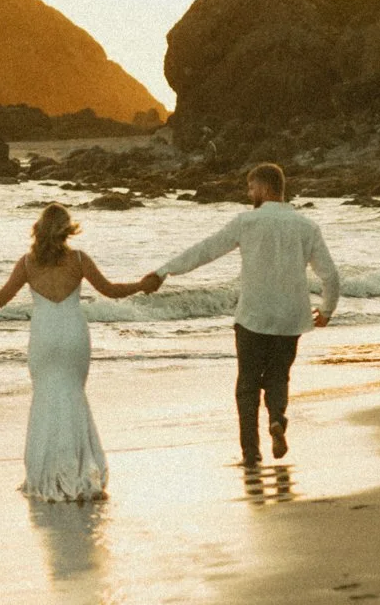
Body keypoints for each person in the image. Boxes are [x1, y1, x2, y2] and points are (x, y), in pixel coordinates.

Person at [0, 204, 154, 501]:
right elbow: (111, 290)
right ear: (67, 229)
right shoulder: (79, 260)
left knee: (46, 398)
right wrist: (142, 285)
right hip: (72, 333)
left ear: (39, 228)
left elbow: (0, 298)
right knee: (72, 395)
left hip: (45, 335)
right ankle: (82, 472)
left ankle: (47, 474)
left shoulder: (28, 264)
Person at [142, 162, 341, 466]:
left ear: (264, 188)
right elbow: (331, 276)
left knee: (247, 383)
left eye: (251, 188)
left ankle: (251, 452)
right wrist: (326, 310)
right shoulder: (306, 227)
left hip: (253, 316)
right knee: (278, 376)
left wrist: (163, 271)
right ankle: (276, 418)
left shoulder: (246, 223)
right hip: (290, 318)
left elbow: (205, 250)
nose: (249, 194)